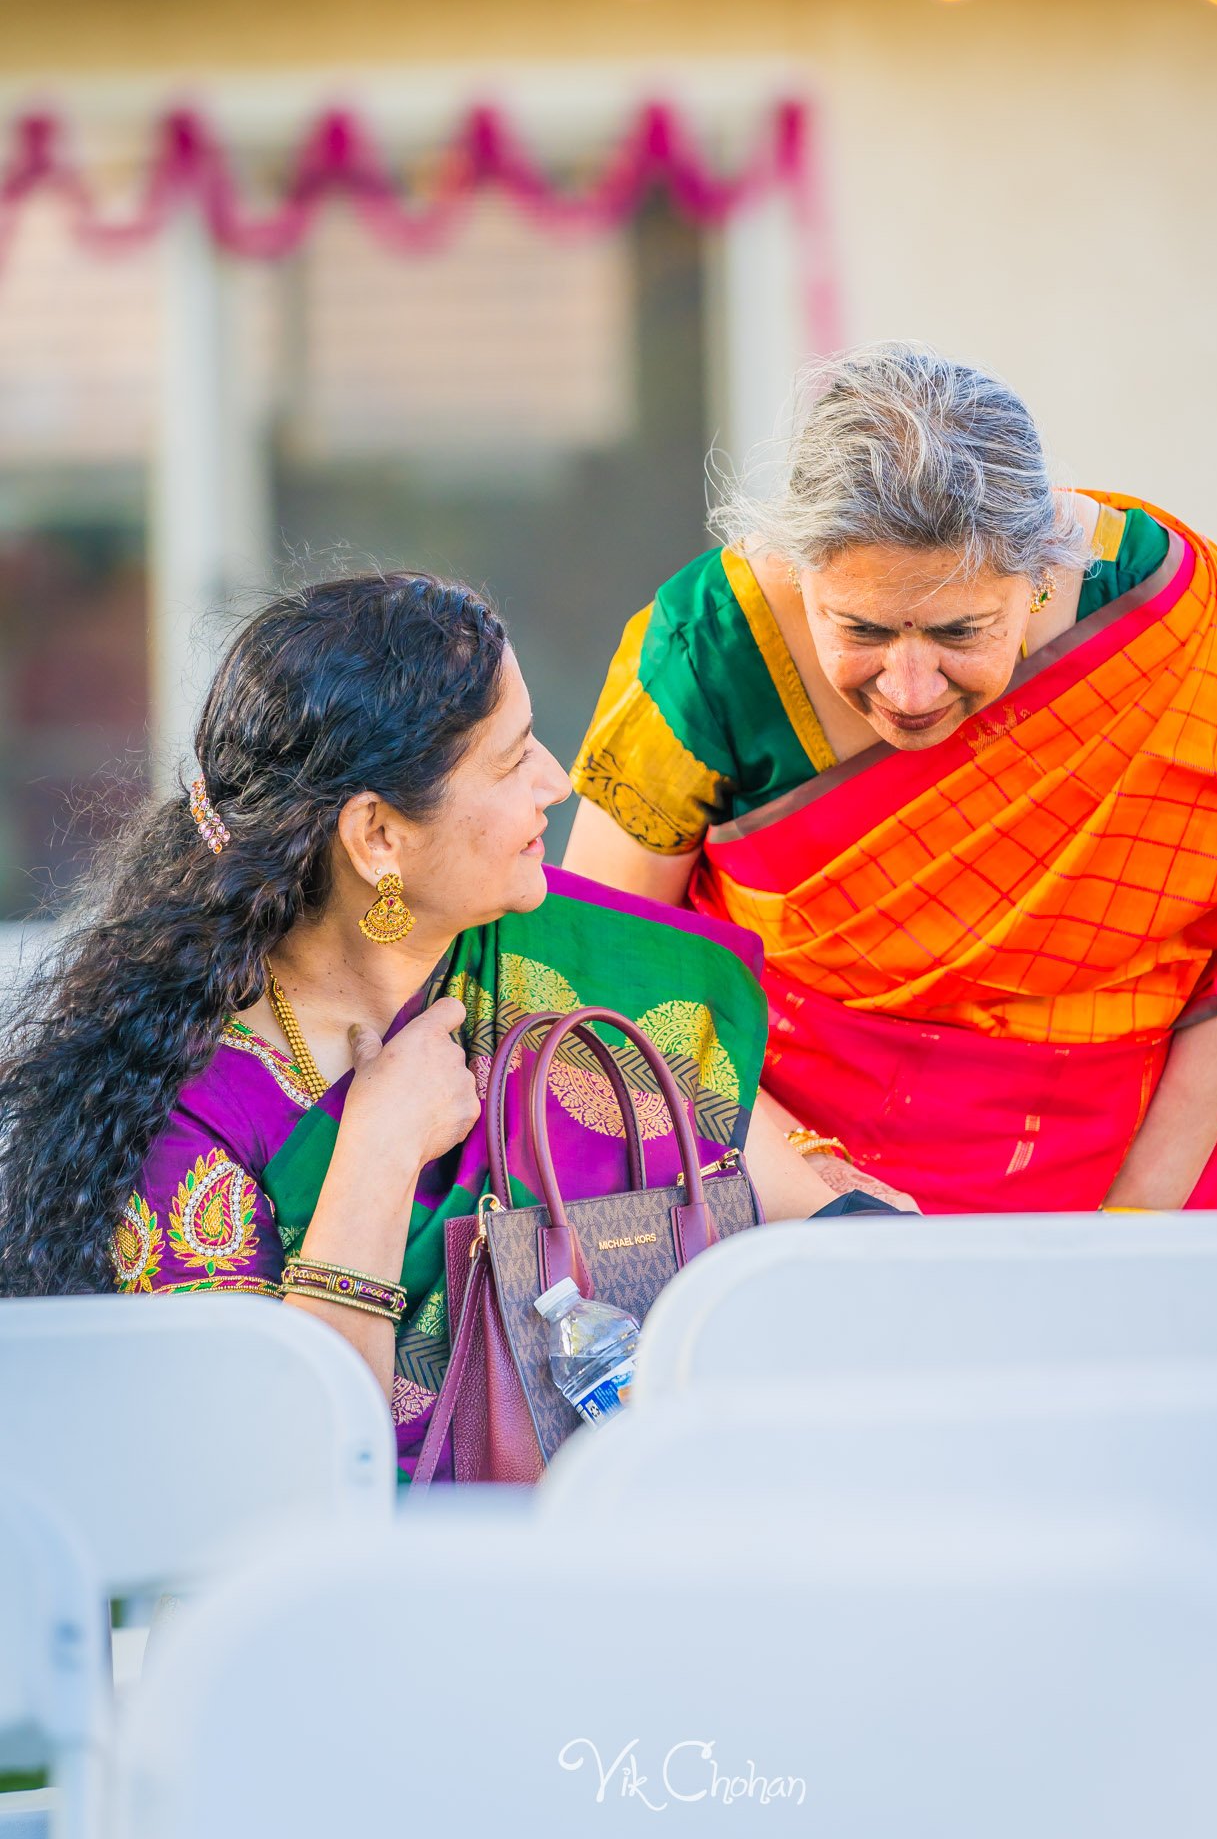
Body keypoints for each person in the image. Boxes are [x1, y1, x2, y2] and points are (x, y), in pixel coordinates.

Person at [0, 574, 781, 1480]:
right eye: (511, 757)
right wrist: (378, 1145)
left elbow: (788, 1193)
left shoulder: (548, 951)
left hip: (638, 1542)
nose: (556, 782)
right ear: (377, 836)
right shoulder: (192, 1109)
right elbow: (277, 1475)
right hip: (376, 1599)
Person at [565, 342, 1217, 1218]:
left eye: (960, 633)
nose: (908, 689)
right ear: (796, 567)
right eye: (859, 629)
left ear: (1040, 575)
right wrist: (809, 1196)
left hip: (1125, 1191)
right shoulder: (711, 649)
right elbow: (604, 964)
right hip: (772, 1195)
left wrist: (1137, 1217)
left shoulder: (1171, 631)